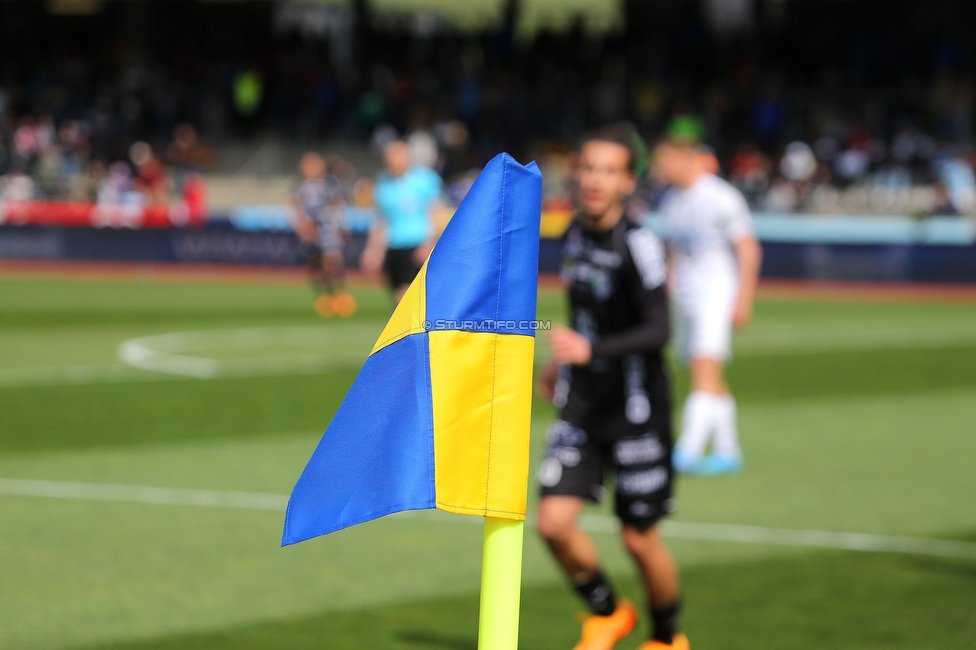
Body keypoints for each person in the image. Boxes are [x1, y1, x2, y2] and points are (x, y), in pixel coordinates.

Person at [537, 124, 688, 650]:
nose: (596, 180)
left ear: (628, 181)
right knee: (552, 523)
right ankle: (610, 612)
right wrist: (563, 364)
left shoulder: (641, 243)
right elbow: (583, 312)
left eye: (609, 170)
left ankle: (667, 640)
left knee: (639, 539)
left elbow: (659, 329)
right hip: (582, 402)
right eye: (588, 168)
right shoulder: (572, 234)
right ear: (575, 174)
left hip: (637, 407)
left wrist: (591, 351)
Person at [655, 120, 762, 475]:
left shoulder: (721, 196)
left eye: (666, 161)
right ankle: (729, 449)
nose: (660, 169)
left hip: (716, 291)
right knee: (707, 371)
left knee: (704, 365)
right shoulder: (672, 200)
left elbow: (748, 249)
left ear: (687, 158)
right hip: (685, 295)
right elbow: (673, 247)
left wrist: (743, 299)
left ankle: (687, 449)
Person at [361, 140, 443, 305]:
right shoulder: (383, 184)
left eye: (397, 154)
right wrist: (373, 250)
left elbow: (436, 213)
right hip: (394, 246)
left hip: (416, 245)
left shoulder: (425, 179)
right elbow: (381, 219)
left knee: (405, 296)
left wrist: (431, 244)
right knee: (397, 298)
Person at [293, 151, 356, 318]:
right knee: (315, 265)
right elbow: (296, 206)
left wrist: (341, 225)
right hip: (311, 233)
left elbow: (337, 203)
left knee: (333, 261)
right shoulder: (301, 188)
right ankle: (325, 297)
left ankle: (341, 295)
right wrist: (301, 225)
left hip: (327, 230)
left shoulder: (328, 185)